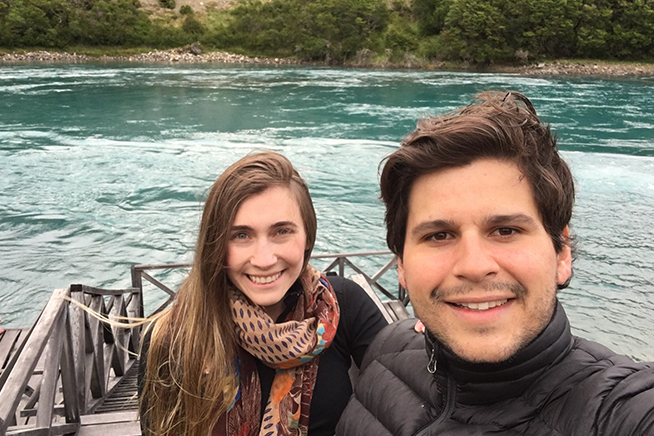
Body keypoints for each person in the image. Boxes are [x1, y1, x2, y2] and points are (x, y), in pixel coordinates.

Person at [336, 91, 654, 435]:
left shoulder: (620, 410)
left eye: (506, 230)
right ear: (401, 264)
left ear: (561, 252)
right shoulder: (387, 349)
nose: (474, 266)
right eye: (439, 236)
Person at [138, 151, 388, 436]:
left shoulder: (340, 305)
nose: (264, 259)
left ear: (308, 237)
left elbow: (405, 386)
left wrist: (427, 337)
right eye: (241, 235)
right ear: (215, 245)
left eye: (282, 231)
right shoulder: (173, 337)